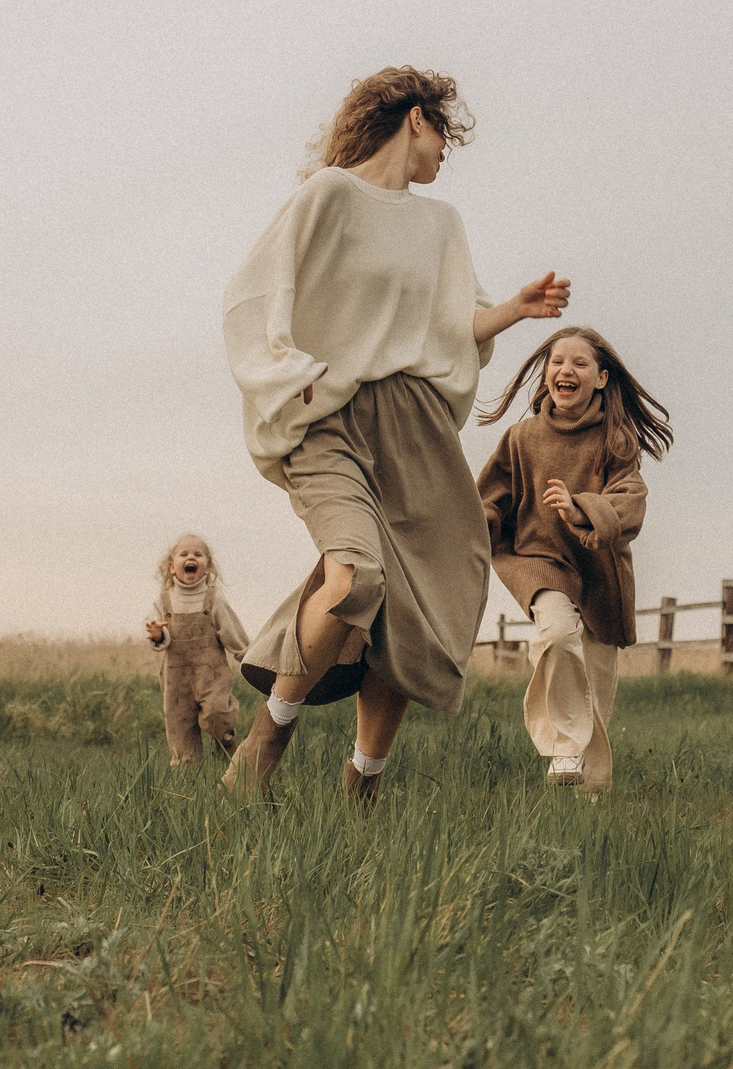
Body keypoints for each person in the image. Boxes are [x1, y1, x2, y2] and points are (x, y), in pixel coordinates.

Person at [220, 66, 571, 800]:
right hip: (332, 419)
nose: (446, 152)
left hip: (414, 427)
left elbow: (452, 324)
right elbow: (255, 290)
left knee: (424, 598)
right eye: (443, 133)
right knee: (358, 573)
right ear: (416, 118)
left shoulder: (441, 224)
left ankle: (364, 781)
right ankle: (266, 739)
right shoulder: (329, 195)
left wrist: (512, 308)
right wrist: (290, 370)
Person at [475, 326, 672, 790]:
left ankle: (591, 798)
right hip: (538, 561)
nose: (566, 370)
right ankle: (564, 748)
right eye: (557, 362)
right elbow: (490, 501)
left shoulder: (616, 440)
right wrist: (466, 524)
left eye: (579, 364)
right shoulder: (521, 438)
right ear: (546, 375)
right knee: (557, 633)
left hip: (599, 570)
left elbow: (631, 499)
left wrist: (581, 505)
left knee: (597, 692)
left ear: (601, 379)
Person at [141, 534, 249, 765]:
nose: (191, 557)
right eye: (184, 554)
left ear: (207, 567)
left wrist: (249, 659)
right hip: (176, 680)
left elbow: (232, 633)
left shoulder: (214, 599)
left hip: (212, 675)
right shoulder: (164, 601)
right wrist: (158, 634)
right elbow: (155, 629)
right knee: (181, 732)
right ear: (172, 567)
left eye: (198, 554)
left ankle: (228, 748)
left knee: (217, 715)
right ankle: (188, 787)